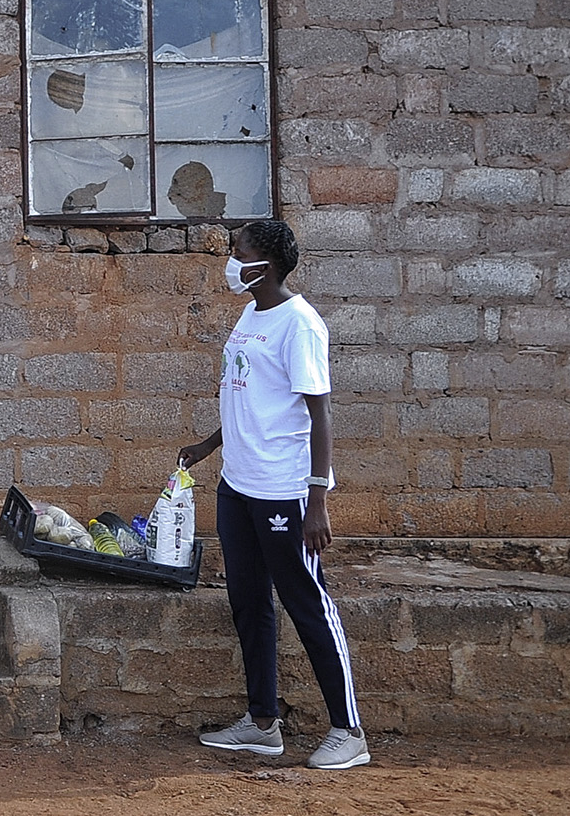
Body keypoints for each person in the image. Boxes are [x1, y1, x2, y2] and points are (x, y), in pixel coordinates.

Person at [179, 220, 369, 771]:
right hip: (237, 485)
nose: (231, 261)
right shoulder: (252, 312)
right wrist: (210, 444)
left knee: (308, 604)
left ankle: (348, 730)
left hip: (284, 493)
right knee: (249, 604)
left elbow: (319, 414)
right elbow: (250, 393)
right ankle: (262, 724)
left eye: (239, 253)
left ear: (264, 266)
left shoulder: (300, 325)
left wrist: (318, 500)